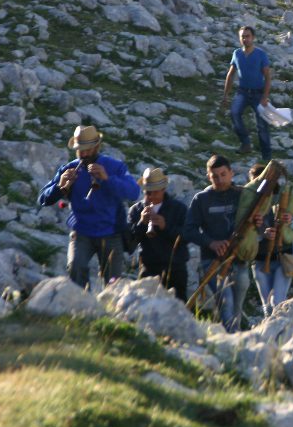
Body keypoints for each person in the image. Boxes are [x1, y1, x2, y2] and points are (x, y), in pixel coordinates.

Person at [38, 125, 141, 289]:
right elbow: (43, 199)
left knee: (113, 284)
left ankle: (110, 312)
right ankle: (82, 310)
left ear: (97, 147)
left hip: (111, 233)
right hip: (81, 233)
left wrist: (107, 179)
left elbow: (134, 192)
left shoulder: (114, 166)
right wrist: (60, 186)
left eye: (88, 149)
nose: (84, 154)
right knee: (75, 268)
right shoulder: (69, 169)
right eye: (80, 150)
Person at [183, 154, 248, 332]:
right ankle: (233, 344)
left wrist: (259, 224)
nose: (220, 179)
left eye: (223, 174)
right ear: (208, 176)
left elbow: (261, 221)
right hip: (212, 262)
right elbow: (189, 230)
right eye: (215, 176)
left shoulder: (243, 195)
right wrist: (211, 243)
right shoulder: (201, 199)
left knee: (236, 309)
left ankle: (234, 343)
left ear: (231, 173)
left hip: (239, 261)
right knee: (226, 304)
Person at [127, 168, 188, 300]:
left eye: (155, 192)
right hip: (149, 268)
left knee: (178, 308)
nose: (151, 196)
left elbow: (187, 237)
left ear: (163, 189)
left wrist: (166, 227)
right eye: (148, 193)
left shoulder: (179, 209)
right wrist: (142, 223)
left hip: (175, 268)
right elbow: (129, 243)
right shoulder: (136, 210)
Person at [249, 162, 293, 318]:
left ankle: (280, 335)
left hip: (283, 258)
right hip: (259, 260)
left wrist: (291, 220)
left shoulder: (283, 198)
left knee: (277, 302)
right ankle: (271, 338)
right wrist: (262, 234)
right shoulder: (248, 202)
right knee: (267, 307)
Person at [222, 26, 272, 160]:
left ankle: (266, 156)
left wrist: (265, 97)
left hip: (258, 94)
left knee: (262, 125)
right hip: (242, 92)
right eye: (242, 36)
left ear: (253, 38)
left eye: (247, 36)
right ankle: (245, 143)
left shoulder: (261, 54)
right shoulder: (237, 53)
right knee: (234, 113)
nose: (245, 39)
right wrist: (226, 95)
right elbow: (231, 74)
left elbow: (267, 76)